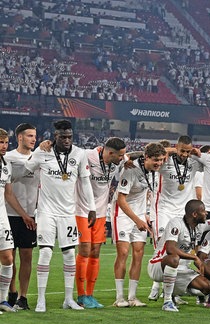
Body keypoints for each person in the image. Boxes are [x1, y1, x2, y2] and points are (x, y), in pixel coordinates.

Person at [25, 119, 96, 312]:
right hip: (46, 212)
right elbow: (27, 169)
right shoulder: (43, 152)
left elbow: (85, 182)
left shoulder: (79, 154)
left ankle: (68, 299)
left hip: (68, 213)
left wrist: (91, 207)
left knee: (70, 254)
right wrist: (36, 151)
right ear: (54, 136)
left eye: (69, 137)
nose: (67, 140)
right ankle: (41, 299)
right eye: (62, 137)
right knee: (46, 252)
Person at [147, 135, 203, 301]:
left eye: (188, 151)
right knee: (162, 247)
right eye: (182, 151)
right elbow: (145, 154)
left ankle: (173, 291)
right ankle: (156, 285)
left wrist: (198, 153)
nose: (185, 154)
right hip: (164, 210)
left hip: (182, 212)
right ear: (176, 148)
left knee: (181, 248)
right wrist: (170, 150)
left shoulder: (194, 163)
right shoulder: (165, 161)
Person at [75, 137, 127, 308]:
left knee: (95, 252)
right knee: (84, 249)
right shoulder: (86, 155)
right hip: (82, 210)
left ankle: (90, 294)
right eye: (120, 156)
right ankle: (81, 295)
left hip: (101, 212)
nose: (122, 159)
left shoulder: (118, 160)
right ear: (110, 153)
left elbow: (134, 156)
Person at [112, 142, 165, 307]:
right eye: (156, 160)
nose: (159, 163)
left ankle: (132, 297)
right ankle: (120, 297)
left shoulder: (152, 171)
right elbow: (121, 200)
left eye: (162, 160)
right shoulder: (130, 170)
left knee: (139, 254)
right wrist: (137, 219)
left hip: (140, 215)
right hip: (122, 214)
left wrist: (146, 214)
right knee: (123, 252)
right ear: (146, 157)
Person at [147, 199, 210, 312]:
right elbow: (170, 249)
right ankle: (167, 301)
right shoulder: (176, 223)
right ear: (195, 214)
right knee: (174, 258)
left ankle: (173, 290)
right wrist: (194, 257)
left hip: (181, 269)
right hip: (158, 265)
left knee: (207, 287)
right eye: (203, 211)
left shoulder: (201, 226)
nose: (206, 213)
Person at [0, 129, 36, 312]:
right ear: (20, 137)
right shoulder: (10, 158)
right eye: (30, 135)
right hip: (10, 215)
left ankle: (15, 297)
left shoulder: (8, 164)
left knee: (18, 257)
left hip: (20, 215)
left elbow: (9, 193)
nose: (4, 146)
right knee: (9, 257)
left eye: (5, 142)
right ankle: (10, 293)